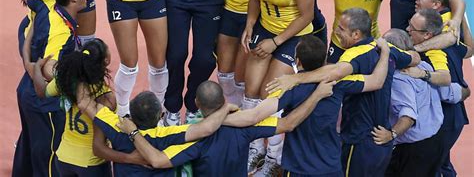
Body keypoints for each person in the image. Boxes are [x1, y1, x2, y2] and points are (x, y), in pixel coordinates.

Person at [266, 8, 418, 176]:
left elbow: (336, 72)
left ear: (356, 34)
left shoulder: (352, 55)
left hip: (358, 140)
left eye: (341, 29)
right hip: (382, 142)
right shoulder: (386, 48)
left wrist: (295, 78)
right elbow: (414, 58)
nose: (336, 32)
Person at [223, 34, 390, 176]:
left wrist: (218, 118)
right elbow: (377, 81)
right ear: (325, 61)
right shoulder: (338, 83)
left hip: (298, 167)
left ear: (297, 60)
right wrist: (385, 53)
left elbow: (253, 116)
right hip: (329, 166)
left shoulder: (287, 89)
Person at [117, 80, 334, 177]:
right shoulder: (246, 126)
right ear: (223, 100)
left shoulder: (192, 137)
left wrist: (133, 132)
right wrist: (316, 94)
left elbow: (157, 161)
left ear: (197, 103)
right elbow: (289, 123)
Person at [240, 0, 314, 173]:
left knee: (268, 94)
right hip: (264, 29)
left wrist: (276, 42)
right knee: (250, 92)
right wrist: (250, 24)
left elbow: (307, 16)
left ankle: (273, 158)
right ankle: (254, 148)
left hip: (292, 37)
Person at [13, 0, 88, 177]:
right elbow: (48, 68)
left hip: (25, 90)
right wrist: (77, 80)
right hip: (44, 101)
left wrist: (28, 61)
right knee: (49, 158)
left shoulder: (46, 4)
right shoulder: (62, 33)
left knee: (28, 150)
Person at [77, 89, 236, 176]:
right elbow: (207, 127)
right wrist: (226, 108)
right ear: (161, 115)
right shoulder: (171, 134)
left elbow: (84, 102)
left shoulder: (119, 127)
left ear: (132, 115)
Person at [30, 39, 115, 176]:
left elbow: (42, 92)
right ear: (105, 61)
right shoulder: (104, 95)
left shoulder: (66, 81)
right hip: (91, 163)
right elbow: (105, 128)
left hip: (64, 158)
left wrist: (36, 69)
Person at [406, 1, 472, 176]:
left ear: (427, 34)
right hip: (454, 115)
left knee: (434, 166)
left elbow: (445, 81)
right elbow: (470, 50)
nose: (407, 30)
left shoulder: (433, 54)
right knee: (442, 162)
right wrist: (460, 20)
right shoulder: (451, 44)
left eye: (412, 28)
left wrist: (422, 75)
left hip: (444, 118)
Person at [371, 29, 446, 176]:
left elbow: (408, 116)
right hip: (437, 141)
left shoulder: (398, 78)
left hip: (412, 150)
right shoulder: (424, 67)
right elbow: (451, 92)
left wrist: (391, 134)